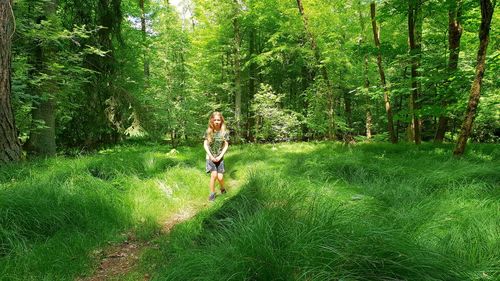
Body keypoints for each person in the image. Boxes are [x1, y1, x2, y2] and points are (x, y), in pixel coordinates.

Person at [203, 112, 229, 201]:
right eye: (215, 120)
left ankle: (222, 188)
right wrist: (210, 156)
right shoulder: (208, 132)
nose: (217, 122)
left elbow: (226, 145)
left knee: (220, 177)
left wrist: (220, 156)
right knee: (213, 175)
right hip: (210, 157)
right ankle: (212, 194)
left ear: (221, 121)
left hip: (219, 157)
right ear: (212, 121)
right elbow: (205, 144)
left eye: (219, 120)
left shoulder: (224, 132)